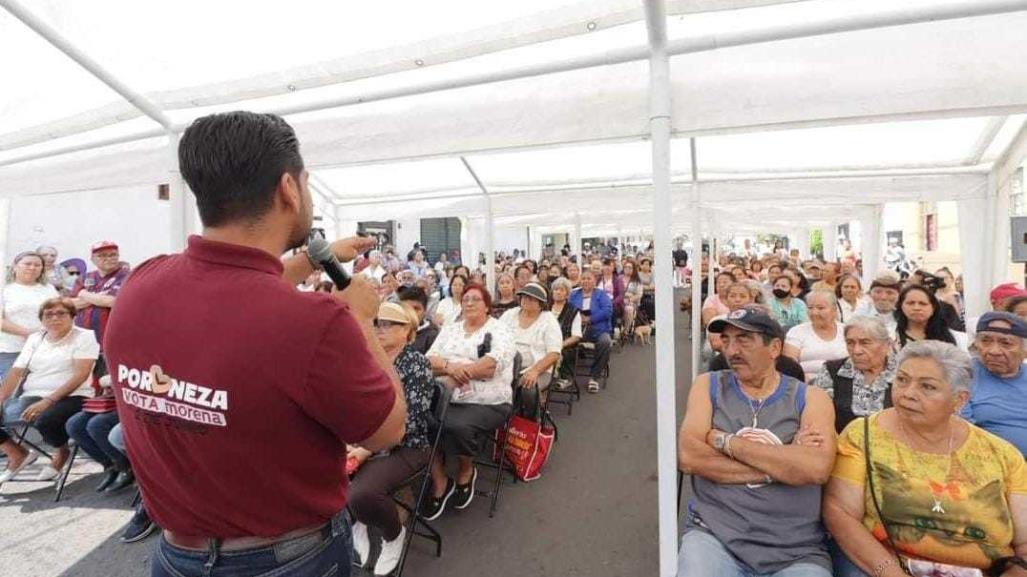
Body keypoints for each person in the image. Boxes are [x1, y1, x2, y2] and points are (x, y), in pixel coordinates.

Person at [103, 111, 406, 577]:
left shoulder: (141, 284)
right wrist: (362, 319)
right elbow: (385, 431)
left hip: (173, 556)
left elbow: (231, 287)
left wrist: (309, 260)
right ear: (289, 188)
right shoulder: (315, 321)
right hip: (289, 559)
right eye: (306, 183)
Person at [823, 341, 1027, 577]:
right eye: (901, 380)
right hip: (889, 567)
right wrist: (889, 572)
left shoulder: (1001, 454)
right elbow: (841, 513)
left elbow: (1025, 542)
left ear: (959, 400)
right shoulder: (863, 435)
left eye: (927, 387)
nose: (908, 393)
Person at [677, 307, 836, 577]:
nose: (732, 350)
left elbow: (816, 469)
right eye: (726, 340)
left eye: (743, 340)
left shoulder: (811, 398)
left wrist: (724, 441)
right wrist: (784, 464)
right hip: (715, 537)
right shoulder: (709, 385)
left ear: (774, 348)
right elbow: (691, 457)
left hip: (795, 550)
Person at [349, 303, 435, 576]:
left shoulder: (416, 363)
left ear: (408, 330)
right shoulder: (367, 359)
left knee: (362, 493)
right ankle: (358, 521)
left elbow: (410, 422)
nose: (380, 329)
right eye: (377, 323)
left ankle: (393, 534)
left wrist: (364, 449)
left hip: (407, 445)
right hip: (366, 438)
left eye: (389, 323)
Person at [423, 283, 515, 520]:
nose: (470, 303)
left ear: (487, 305)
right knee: (421, 421)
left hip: (487, 400)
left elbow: (492, 365)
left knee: (456, 426)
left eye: (476, 299)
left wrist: (460, 372)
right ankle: (440, 479)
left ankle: (466, 469)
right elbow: (429, 360)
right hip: (445, 395)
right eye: (465, 299)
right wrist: (449, 367)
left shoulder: (500, 330)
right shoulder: (450, 329)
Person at [0, 298, 99, 483]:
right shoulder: (35, 338)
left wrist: (48, 401)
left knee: (45, 419)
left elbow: (80, 375)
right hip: (33, 395)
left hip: (73, 395)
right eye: (49, 314)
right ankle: (17, 454)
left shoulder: (84, 336)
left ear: (72, 316)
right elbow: (16, 372)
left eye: (61, 313)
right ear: (42, 319)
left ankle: (61, 451)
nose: (55, 318)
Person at [810, 316, 896, 433]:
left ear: (886, 345)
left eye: (865, 343)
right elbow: (817, 417)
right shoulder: (832, 371)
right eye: (850, 343)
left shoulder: (903, 374)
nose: (856, 351)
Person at [962, 312, 1027, 455]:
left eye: (1006, 343)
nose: (994, 351)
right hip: (992, 462)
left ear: (1025, 350)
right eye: (986, 341)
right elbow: (963, 430)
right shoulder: (964, 375)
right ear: (976, 345)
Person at [499, 282, 563, 415]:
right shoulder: (510, 315)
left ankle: (531, 419)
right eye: (524, 296)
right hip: (507, 365)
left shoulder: (549, 321)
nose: (526, 300)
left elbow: (554, 353)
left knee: (528, 388)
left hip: (538, 368)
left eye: (531, 298)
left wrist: (535, 371)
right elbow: (495, 336)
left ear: (541, 304)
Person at [70, 240, 130, 378]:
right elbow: (69, 304)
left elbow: (113, 301)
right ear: (92, 259)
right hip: (84, 341)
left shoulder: (126, 275)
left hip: (112, 341)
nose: (109, 258)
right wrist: (98, 298)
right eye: (103, 255)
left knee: (109, 382)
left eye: (113, 255)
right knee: (85, 382)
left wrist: (83, 294)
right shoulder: (85, 277)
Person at [1, 252, 59, 377]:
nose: (32, 267)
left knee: (38, 391)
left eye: (37, 265)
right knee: (12, 391)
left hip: (44, 348)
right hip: (11, 349)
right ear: (15, 266)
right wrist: (29, 333)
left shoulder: (49, 289)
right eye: (27, 264)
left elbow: (59, 313)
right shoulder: (5, 289)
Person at [784, 290, 848, 379]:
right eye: (810, 308)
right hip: (806, 382)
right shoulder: (796, 332)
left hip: (841, 381)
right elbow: (790, 363)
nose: (814, 313)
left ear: (834, 310)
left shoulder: (846, 331)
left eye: (820, 308)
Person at [569, 269, 614, 393]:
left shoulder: (601, 294)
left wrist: (590, 319)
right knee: (563, 340)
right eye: (583, 278)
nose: (586, 281)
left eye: (589, 278)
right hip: (577, 329)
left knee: (605, 342)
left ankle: (594, 377)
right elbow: (568, 309)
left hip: (598, 329)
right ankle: (565, 375)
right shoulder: (574, 295)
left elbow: (607, 311)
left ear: (594, 281)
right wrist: (578, 318)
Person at [894, 285, 968, 351]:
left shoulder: (956, 338)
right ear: (901, 306)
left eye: (923, 304)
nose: (916, 308)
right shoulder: (893, 337)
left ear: (933, 308)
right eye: (910, 303)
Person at [549, 277, 583, 389]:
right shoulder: (545, 308)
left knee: (554, 353)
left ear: (567, 294)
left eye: (562, 290)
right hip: (543, 342)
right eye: (556, 289)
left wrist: (560, 344)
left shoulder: (573, 311)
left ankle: (549, 381)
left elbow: (576, 336)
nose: (558, 292)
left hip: (564, 345)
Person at [397, 286, 439, 355]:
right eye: (406, 308)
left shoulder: (432, 336)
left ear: (425, 311)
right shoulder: (393, 329)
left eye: (416, 308)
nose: (411, 312)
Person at [622, 260, 644, 330]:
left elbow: (639, 294)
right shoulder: (619, 279)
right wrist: (627, 294)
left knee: (629, 309)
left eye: (630, 267)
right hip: (620, 301)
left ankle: (626, 330)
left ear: (633, 269)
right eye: (626, 267)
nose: (627, 269)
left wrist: (629, 299)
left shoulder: (637, 281)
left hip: (632, 303)